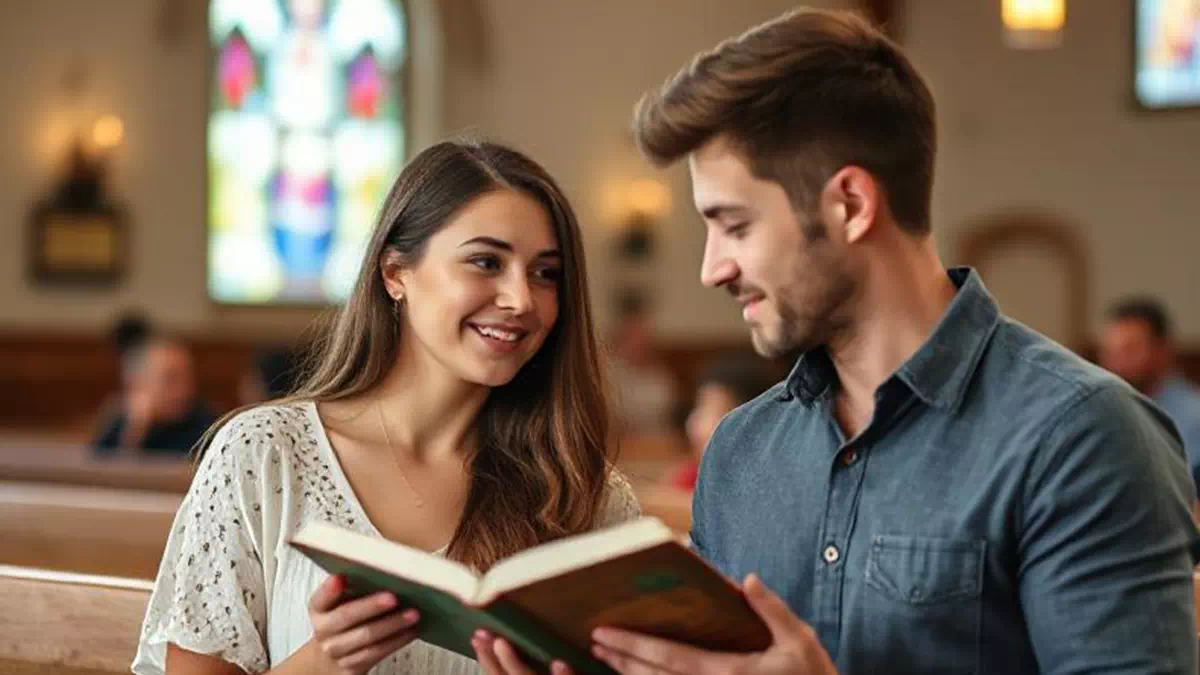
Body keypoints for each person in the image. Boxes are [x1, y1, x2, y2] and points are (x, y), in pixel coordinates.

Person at [567, 8, 1193, 675]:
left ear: (851, 205)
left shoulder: (1083, 436)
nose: (712, 268)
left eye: (736, 226)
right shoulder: (739, 450)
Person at [132, 140, 640, 675]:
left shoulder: (587, 496)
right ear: (395, 273)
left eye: (545, 274)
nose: (521, 299)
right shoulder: (264, 455)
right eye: (486, 262)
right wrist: (322, 662)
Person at [1100, 296, 1200, 491]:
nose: (1116, 362)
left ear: (1163, 349)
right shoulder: (1102, 411)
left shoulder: (1194, 417)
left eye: (1130, 350)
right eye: (1109, 352)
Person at [668, 351, 776, 491]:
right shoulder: (689, 477)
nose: (695, 423)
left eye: (716, 411)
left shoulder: (771, 485)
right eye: (699, 407)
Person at [92, 336, 217, 455]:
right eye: (172, 379)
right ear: (137, 383)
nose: (185, 389)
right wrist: (134, 432)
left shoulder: (207, 426)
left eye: (188, 377)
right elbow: (101, 466)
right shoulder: (119, 422)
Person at [606, 291, 679, 435]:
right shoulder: (609, 377)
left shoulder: (661, 377)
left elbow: (667, 417)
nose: (638, 344)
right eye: (631, 337)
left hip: (657, 440)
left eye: (642, 337)